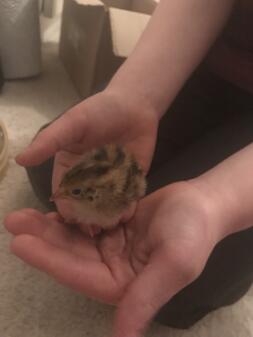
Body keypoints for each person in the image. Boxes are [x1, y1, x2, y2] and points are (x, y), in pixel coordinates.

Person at [4, 0, 253, 335]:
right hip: (208, 58)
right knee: (52, 162)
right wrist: (136, 95)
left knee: (181, 279)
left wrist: (215, 204)